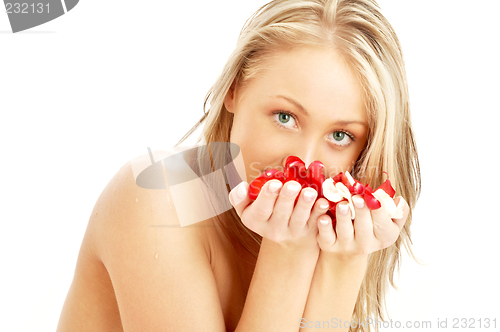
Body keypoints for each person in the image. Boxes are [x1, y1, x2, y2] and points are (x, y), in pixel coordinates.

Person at [56, 0, 420, 331]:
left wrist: (345, 263)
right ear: (234, 89)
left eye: (340, 136)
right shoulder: (161, 196)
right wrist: (287, 252)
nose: (305, 163)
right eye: (284, 116)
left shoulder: (336, 231)